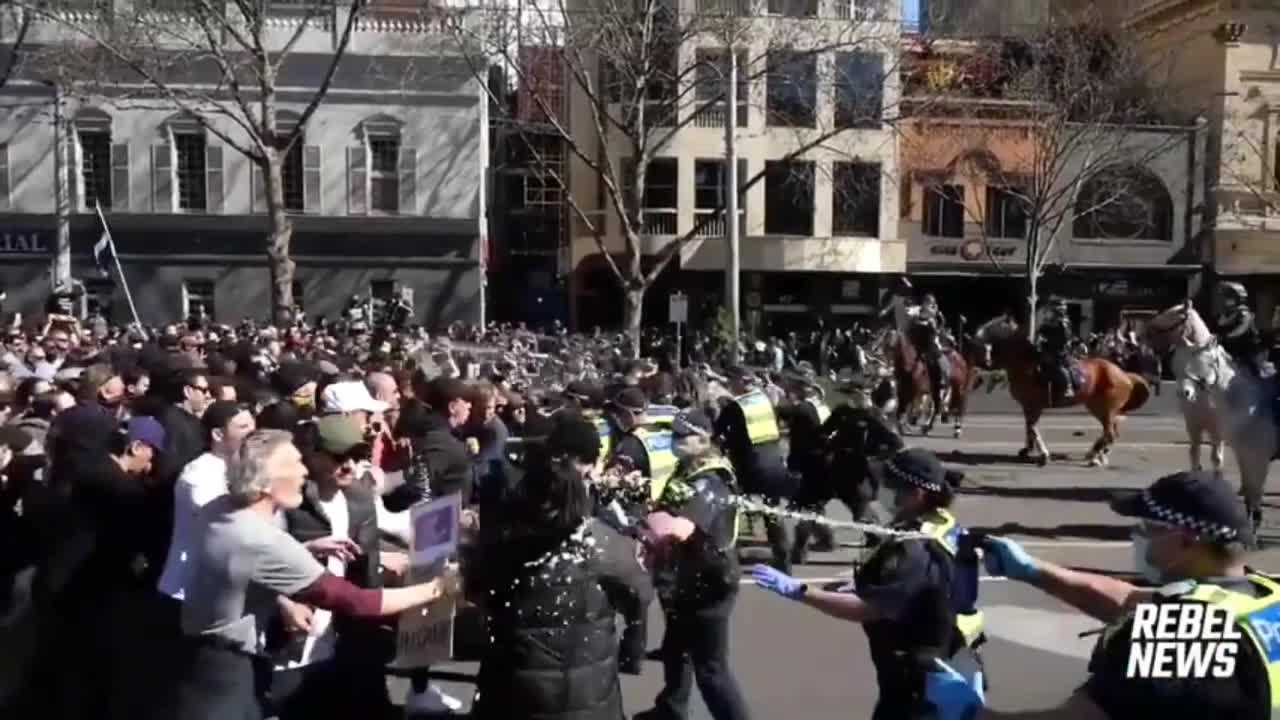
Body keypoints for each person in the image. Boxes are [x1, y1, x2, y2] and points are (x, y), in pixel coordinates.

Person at [927, 470, 1273, 720]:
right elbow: (1129, 602)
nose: (1137, 536)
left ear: (1188, 539)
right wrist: (1033, 570)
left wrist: (972, 712)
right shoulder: (1258, 598)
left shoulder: (1184, 634)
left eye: (1148, 528)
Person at [175, 429, 459, 720]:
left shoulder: (220, 508)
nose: (303, 472)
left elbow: (239, 562)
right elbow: (357, 601)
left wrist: (306, 547)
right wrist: (436, 588)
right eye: (295, 464)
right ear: (266, 483)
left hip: (200, 659)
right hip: (228, 673)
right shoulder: (262, 540)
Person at [752, 448, 985, 720]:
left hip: (915, 680)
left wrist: (801, 591)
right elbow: (925, 584)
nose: (882, 490)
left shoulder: (915, 547)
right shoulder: (941, 525)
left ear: (917, 494)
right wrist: (860, 581)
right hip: (945, 659)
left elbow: (867, 608)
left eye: (891, 485)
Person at [468, 416, 653, 720]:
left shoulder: (502, 541)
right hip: (585, 697)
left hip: (511, 691)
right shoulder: (602, 544)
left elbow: (476, 592)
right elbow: (639, 594)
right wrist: (633, 649)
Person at [635, 410, 750, 720]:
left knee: (711, 669)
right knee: (676, 649)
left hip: (711, 581)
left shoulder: (711, 480)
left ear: (703, 439)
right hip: (687, 576)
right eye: (672, 434)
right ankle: (671, 709)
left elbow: (681, 528)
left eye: (681, 436)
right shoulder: (688, 469)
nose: (674, 441)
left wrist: (646, 525)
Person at [713, 366, 794, 572]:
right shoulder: (764, 400)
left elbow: (718, 433)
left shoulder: (736, 406)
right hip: (774, 464)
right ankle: (783, 558)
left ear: (740, 382)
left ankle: (728, 556)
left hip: (750, 468)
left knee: (731, 507)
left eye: (731, 382)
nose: (729, 386)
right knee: (772, 512)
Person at [1214, 282, 1265, 377]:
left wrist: (1224, 337)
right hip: (1230, 350)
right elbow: (1218, 327)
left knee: (1252, 372)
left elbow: (1240, 330)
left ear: (1238, 298)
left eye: (1227, 297)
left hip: (1247, 351)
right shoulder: (1224, 315)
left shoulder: (1244, 313)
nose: (1224, 300)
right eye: (1224, 297)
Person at [910, 293, 949, 398]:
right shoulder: (918, 311)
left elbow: (939, 326)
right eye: (928, 302)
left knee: (944, 362)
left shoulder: (934, 314)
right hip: (919, 341)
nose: (929, 304)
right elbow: (913, 319)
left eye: (931, 303)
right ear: (924, 302)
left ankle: (943, 381)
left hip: (931, 341)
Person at [1037, 297, 1075, 400]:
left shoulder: (1063, 322)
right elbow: (1041, 331)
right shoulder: (1049, 321)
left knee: (1057, 366)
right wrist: (1039, 339)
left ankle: (1069, 387)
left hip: (1059, 350)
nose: (1049, 311)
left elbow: (1064, 338)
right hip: (1046, 349)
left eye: (1051, 309)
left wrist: (1047, 339)